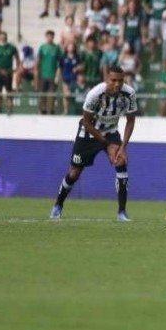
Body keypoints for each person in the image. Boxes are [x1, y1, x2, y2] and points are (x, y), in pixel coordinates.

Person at [51, 66, 137, 221]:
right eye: (113, 80)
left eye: (120, 80)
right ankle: (58, 205)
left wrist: (123, 147)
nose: (117, 84)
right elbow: (86, 121)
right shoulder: (95, 94)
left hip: (111, 132)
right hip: (89, 133)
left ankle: (122, 212)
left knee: (121, 162)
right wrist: (106, 144)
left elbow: (130, 121)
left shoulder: (129, 94)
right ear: (106, 79)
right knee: (74, 173)